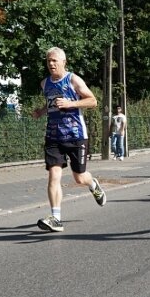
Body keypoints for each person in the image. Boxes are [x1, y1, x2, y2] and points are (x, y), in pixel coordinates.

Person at [31, 46, 107, 232]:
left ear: (64, 62)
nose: (51, 64)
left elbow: (93, 101)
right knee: (54, 175)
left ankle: (93, 184)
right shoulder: (45, 84)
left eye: (54, 61)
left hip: (76, 135)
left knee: (79, 177)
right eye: (48, 61)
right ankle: (56, 218)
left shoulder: (73, 80)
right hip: (53, 136)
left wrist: (71, 103)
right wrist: (41, 111)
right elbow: (50, 104)